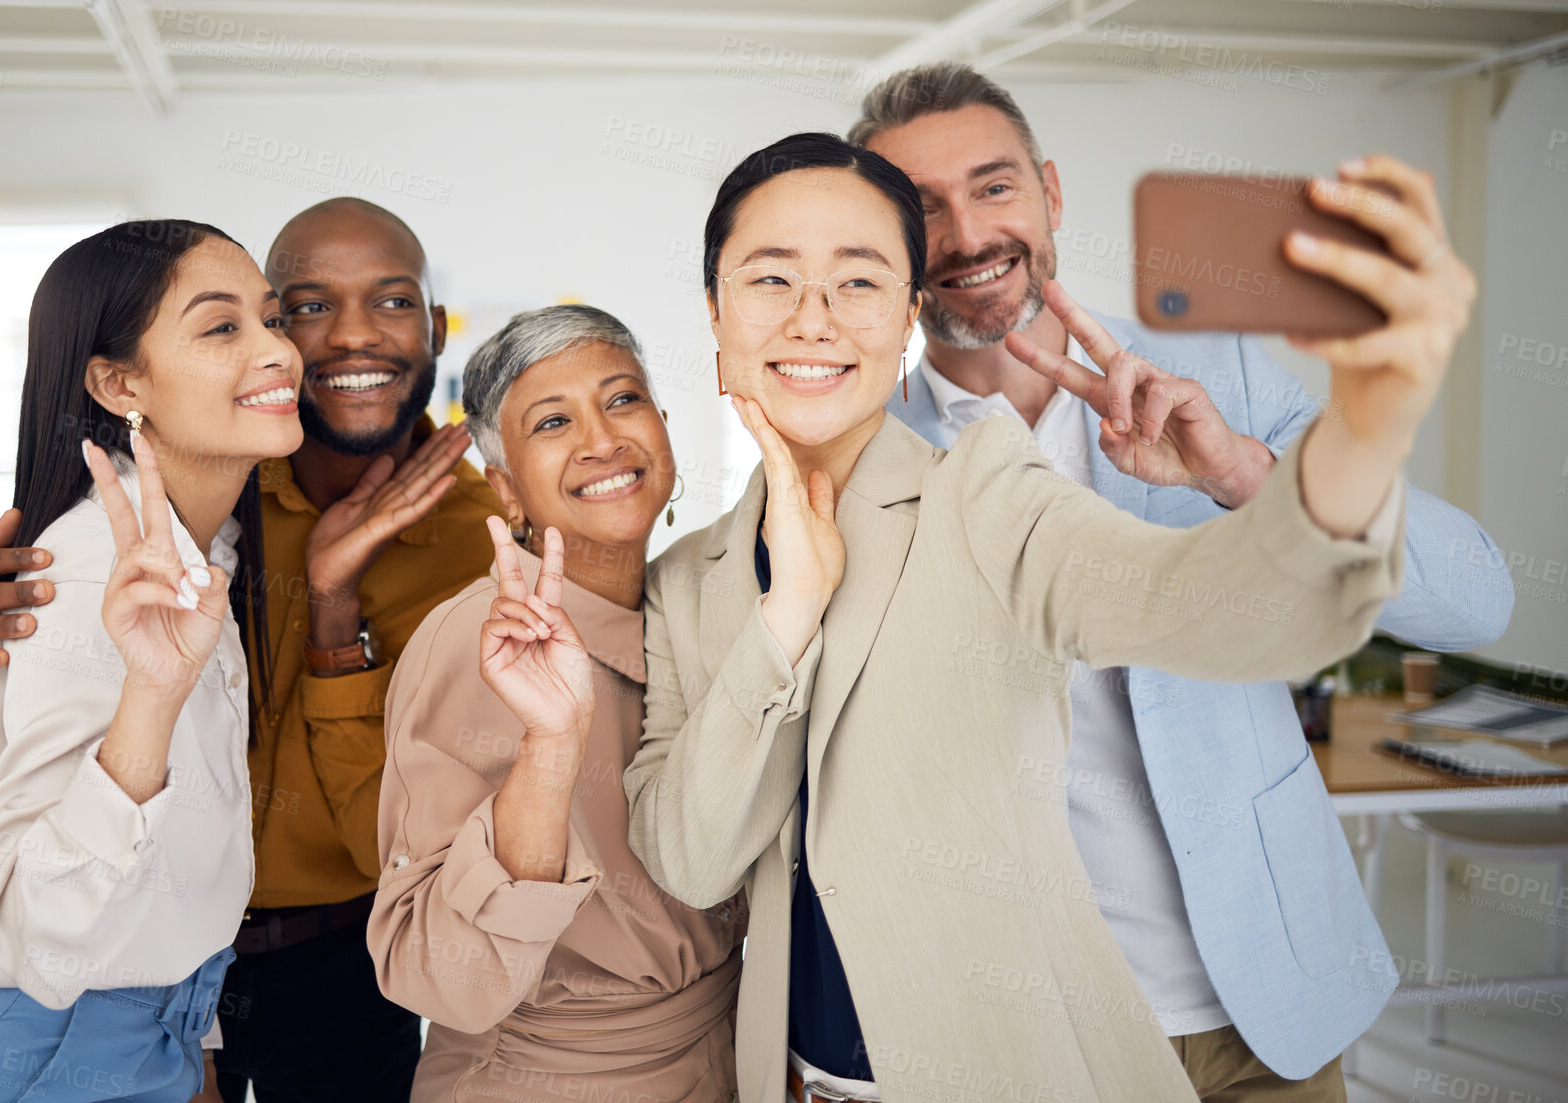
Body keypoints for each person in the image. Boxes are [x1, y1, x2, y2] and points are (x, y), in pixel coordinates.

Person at [622, 131, 1480, 1103]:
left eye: (858, 283)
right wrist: (787, 618)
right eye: (771, 279)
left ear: (909, 316)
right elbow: (689, 857)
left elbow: (1207, 605)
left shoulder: (983, 494)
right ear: (714, 310)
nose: (812, 320)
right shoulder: (687, 578)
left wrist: (1367, 431)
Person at [849, 62, 1513, 1099]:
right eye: (919, 208)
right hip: (1036, 1033)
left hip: (1266, 1008)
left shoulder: (1221, 379)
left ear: (1052, 192)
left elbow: (1475, 599)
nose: (969, 234)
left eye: (993, 186)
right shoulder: (859, 468)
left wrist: (1244, 475)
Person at [0, 199, 502, 1102]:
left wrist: (334, 610)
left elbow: (410, 826)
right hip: (108, 987)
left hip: (300, 963)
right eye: (301, 308)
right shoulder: (183, 510)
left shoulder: (474, 536)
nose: (340, 339)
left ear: (436, 327)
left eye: (393, 302)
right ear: (119, 383)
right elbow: (29, 750)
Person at [0, 220, 302, 1101]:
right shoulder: (92, 566)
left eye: (271, 318)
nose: (277, 350)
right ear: (117, 381)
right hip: (25, 1052)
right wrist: (152, 699)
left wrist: (191, 1032)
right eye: (222, 327)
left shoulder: (207, 549)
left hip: (125, 1036)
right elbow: (44, 928)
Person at [368, 306, 743, 1101]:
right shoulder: (480, 641)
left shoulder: (704, 604)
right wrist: (550, 747)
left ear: (666, 427)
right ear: (503, 487)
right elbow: (431, 970)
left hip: (725, 1055)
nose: (601, 440)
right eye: (552, 421)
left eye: (622, 399)